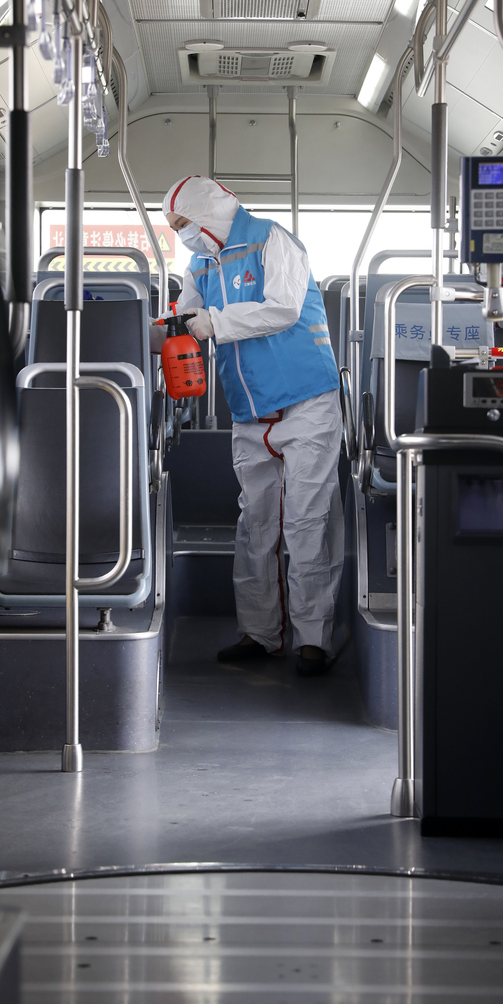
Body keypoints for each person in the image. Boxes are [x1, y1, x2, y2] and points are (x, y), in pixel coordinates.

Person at [153, 175, 343, 677]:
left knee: (305, 523)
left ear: (208, 212)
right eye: (175, 228)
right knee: (255, 526)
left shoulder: (271, 240)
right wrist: (170, 327)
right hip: (248, 411)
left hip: (305, 403)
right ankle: (259, 633)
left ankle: (312, 640)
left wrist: (217, 321)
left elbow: (283, 308)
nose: (183, 235)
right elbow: (188, 315)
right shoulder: (198, 265)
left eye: (184, 223)